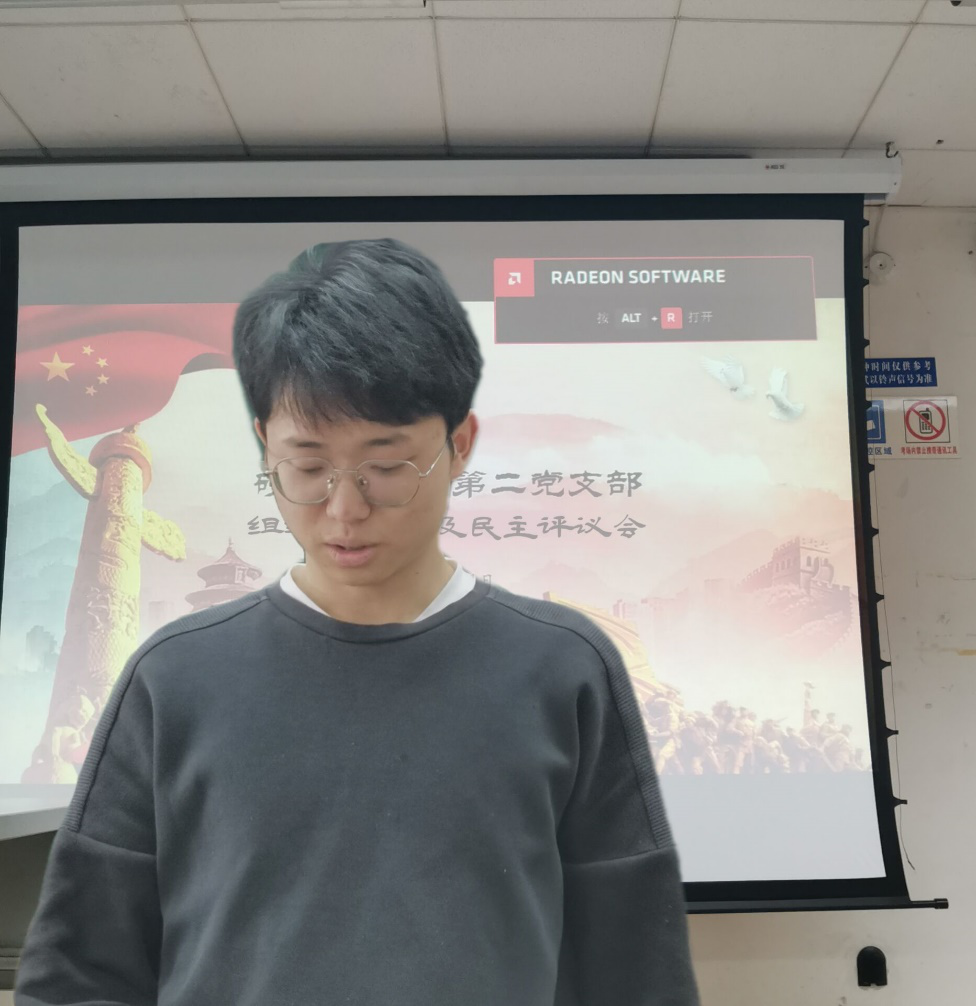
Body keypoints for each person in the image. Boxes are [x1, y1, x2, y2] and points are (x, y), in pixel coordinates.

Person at [16, 239, 699, 1006]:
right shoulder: (173, 679)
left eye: (386, 466)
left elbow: (636, 974)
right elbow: (81, 977)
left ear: (459, 445)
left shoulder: (564, 669)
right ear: (264, 446)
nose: (344, 509)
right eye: (308, 467)